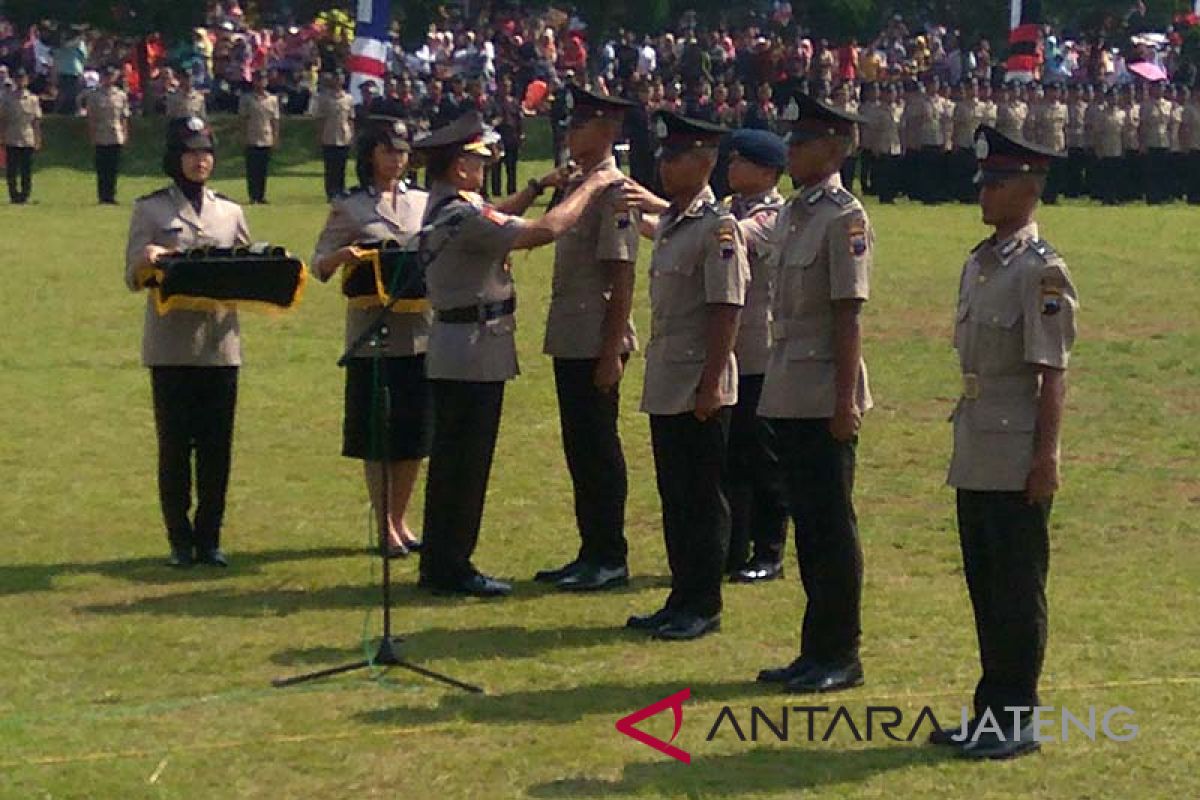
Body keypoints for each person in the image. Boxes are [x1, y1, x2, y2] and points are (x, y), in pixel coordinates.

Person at [414, 113, 615, 598]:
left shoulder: (452, 207)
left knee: (455, 461)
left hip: (462, 346)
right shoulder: (461, 215)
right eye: (477, 160)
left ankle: (444, 560)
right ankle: (451, 567)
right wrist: (591, 187)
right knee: (464, 464)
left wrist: (539, 184)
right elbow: (544, 230)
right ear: (459, 167)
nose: (484, 166)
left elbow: (498, 214)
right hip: (472, 349)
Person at [929, 125, 1077, 759]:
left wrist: (1046, 456)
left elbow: (1052, 373)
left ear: (1027, 188)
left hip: (1017, 452)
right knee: (985, 587)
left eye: (995, 184)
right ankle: (990, 712)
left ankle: (1016, 719)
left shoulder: (1042, 272)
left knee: (1017, 590)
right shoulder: (980, 260)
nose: (983, 194)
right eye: (982, 182)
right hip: (977, 446)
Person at [755, 92, 872, 693]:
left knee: (830, 524)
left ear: (833, 149)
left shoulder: (843, 217)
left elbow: (848, 312)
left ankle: (841, 652)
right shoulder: (797, 212)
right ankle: (814, 648)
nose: (790, 152)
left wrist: (845, 398)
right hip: (790, 384)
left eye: (801, 143)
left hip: (825, 386)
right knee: (808, 521)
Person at [623, 110, 748, 641]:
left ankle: (703, 601)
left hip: (699, 379)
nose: (664, 167)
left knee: (701, 496)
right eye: (663, 157)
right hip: (668, 377)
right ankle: (681, 594)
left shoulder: (718, 227)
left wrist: (712, 381)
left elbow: (726, 308)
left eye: (675, 158)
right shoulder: (675, 221)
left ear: (704, 163)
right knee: (675, 495)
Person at [124, 117, 253, 567]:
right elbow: (133, 278)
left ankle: (210, 537)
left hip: (220, 345)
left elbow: (248, 270)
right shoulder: (151, 210)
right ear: (175, 159)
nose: (201, 161)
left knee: (217, 448)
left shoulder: (230, 211)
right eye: (192, 152)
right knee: (176, 447)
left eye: (207, 153)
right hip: (172, 346)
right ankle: (179, 539)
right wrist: (150, 258)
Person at [533, 87, 642, 592]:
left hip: (597, 335)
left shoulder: (613, 191)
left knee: (599, 448)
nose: (570, 133)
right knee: (579, 447)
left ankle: (609, 554)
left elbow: (622, 275)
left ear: (607, 131)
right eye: (569, 124)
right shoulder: (579, 183)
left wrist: (611, 350)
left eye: (581, 125)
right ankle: (589, 549)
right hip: (572, 333)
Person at [310, 117, 428, 557]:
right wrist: (344, 255)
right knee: (379, 433)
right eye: (387, 151)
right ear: (369, 156)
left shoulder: (423, 201)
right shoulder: (350, 207)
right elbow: (319, 264)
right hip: (372, 333)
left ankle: (401, 517)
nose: (396, 160)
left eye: (402, 151)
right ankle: (383, 524)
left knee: (414, 433)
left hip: (419, 332)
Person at [720, 129, 788, 583]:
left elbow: (729, 239)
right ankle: (733, 545)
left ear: (765, 172)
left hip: (759, 351)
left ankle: (769, 551)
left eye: (740, 161)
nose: (730, 167)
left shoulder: (773, 216)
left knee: (762, 457)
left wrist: (656, 207)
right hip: (731, 350)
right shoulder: (728, 209)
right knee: (729, 458)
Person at [86, 65, 131, 205]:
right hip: (100, 134)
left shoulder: (121, 95)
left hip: (115, 134)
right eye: (106, 76)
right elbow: (91, 117)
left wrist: (125, 134)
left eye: (111, 76)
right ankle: (102, 196)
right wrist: (92, 135)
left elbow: (124, 117)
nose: (108, 79)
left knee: (113, 167)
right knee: (102, 167)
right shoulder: (94, 95)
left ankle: (111, 195)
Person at [239, 70, 280, 205]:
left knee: (263, 169)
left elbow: (275, 120)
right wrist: (243, 136)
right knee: (252, 169)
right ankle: (253, 195)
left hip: (266, 137)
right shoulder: (247, 99)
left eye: (263, 79)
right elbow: (243, 119)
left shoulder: (272, 99)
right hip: (252, 137)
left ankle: (261, 195)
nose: (261, 82)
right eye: (258, 79)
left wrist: (275, 137)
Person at [1, 67, 41, 204]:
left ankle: (25, 195)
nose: (20, 81)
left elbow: (36, 121)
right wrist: (1, 137)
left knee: (26, 170)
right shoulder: (7, 99)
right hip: (11, 137)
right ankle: (14, 195)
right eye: (18, 78)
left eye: (23, 78)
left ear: (27, 80)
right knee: (11, 170)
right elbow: (3, 120)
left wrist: (37, 139)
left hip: (27, 138)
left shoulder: (33, 99)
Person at [314, 70, 355, 201]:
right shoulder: (324, 98)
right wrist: (319, 136)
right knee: (330, 167)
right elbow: (320, 119)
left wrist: (352, 135)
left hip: (344, 136)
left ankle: (341, 191)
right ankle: (331, 192)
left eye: (340, 78)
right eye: (336, 78)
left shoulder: (348, 98)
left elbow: (351, 119)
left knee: (341, 166)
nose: (338, 81)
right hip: (329, 136)